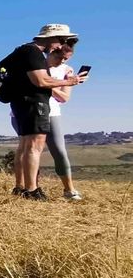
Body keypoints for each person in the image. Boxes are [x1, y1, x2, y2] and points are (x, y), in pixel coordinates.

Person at [3, 24, 86, 200]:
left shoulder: (28, 52)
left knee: (31, 147)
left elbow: (61, 95)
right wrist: (66, 82)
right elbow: (40, 81)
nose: (60, 47)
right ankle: (30, 189)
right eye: (60, 42)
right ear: (52, 39)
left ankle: (29, 188)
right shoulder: (34, 55)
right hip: (34, 105)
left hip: (33, 106)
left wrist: (65, 82)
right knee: (32, 147)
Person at [43, 44, 84, 200]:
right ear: (51, 51)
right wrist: (50, 83)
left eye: (66, 59)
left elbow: (64, 97)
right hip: (27, 111)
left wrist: (45, 84)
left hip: (52, 112)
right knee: (30, 151)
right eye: (59, 57)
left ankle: (69, 189)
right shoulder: (36, 64)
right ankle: (29, 187)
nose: (61, 61)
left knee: (59, 151)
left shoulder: (67, 71)